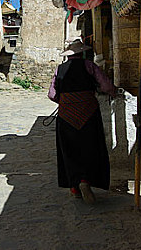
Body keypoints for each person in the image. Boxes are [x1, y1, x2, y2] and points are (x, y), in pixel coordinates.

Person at [48, 39, 117, 204]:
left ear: (69, 55)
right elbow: (106, 86)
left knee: (69, 150)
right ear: (82, 53)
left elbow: (52, 94)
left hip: (66, 116)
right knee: (90, 147)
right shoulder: (90, 66)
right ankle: (86, 180)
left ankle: (74, 187)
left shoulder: (60, 69)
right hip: (89, 114)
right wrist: (114, 92)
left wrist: (67, 102)